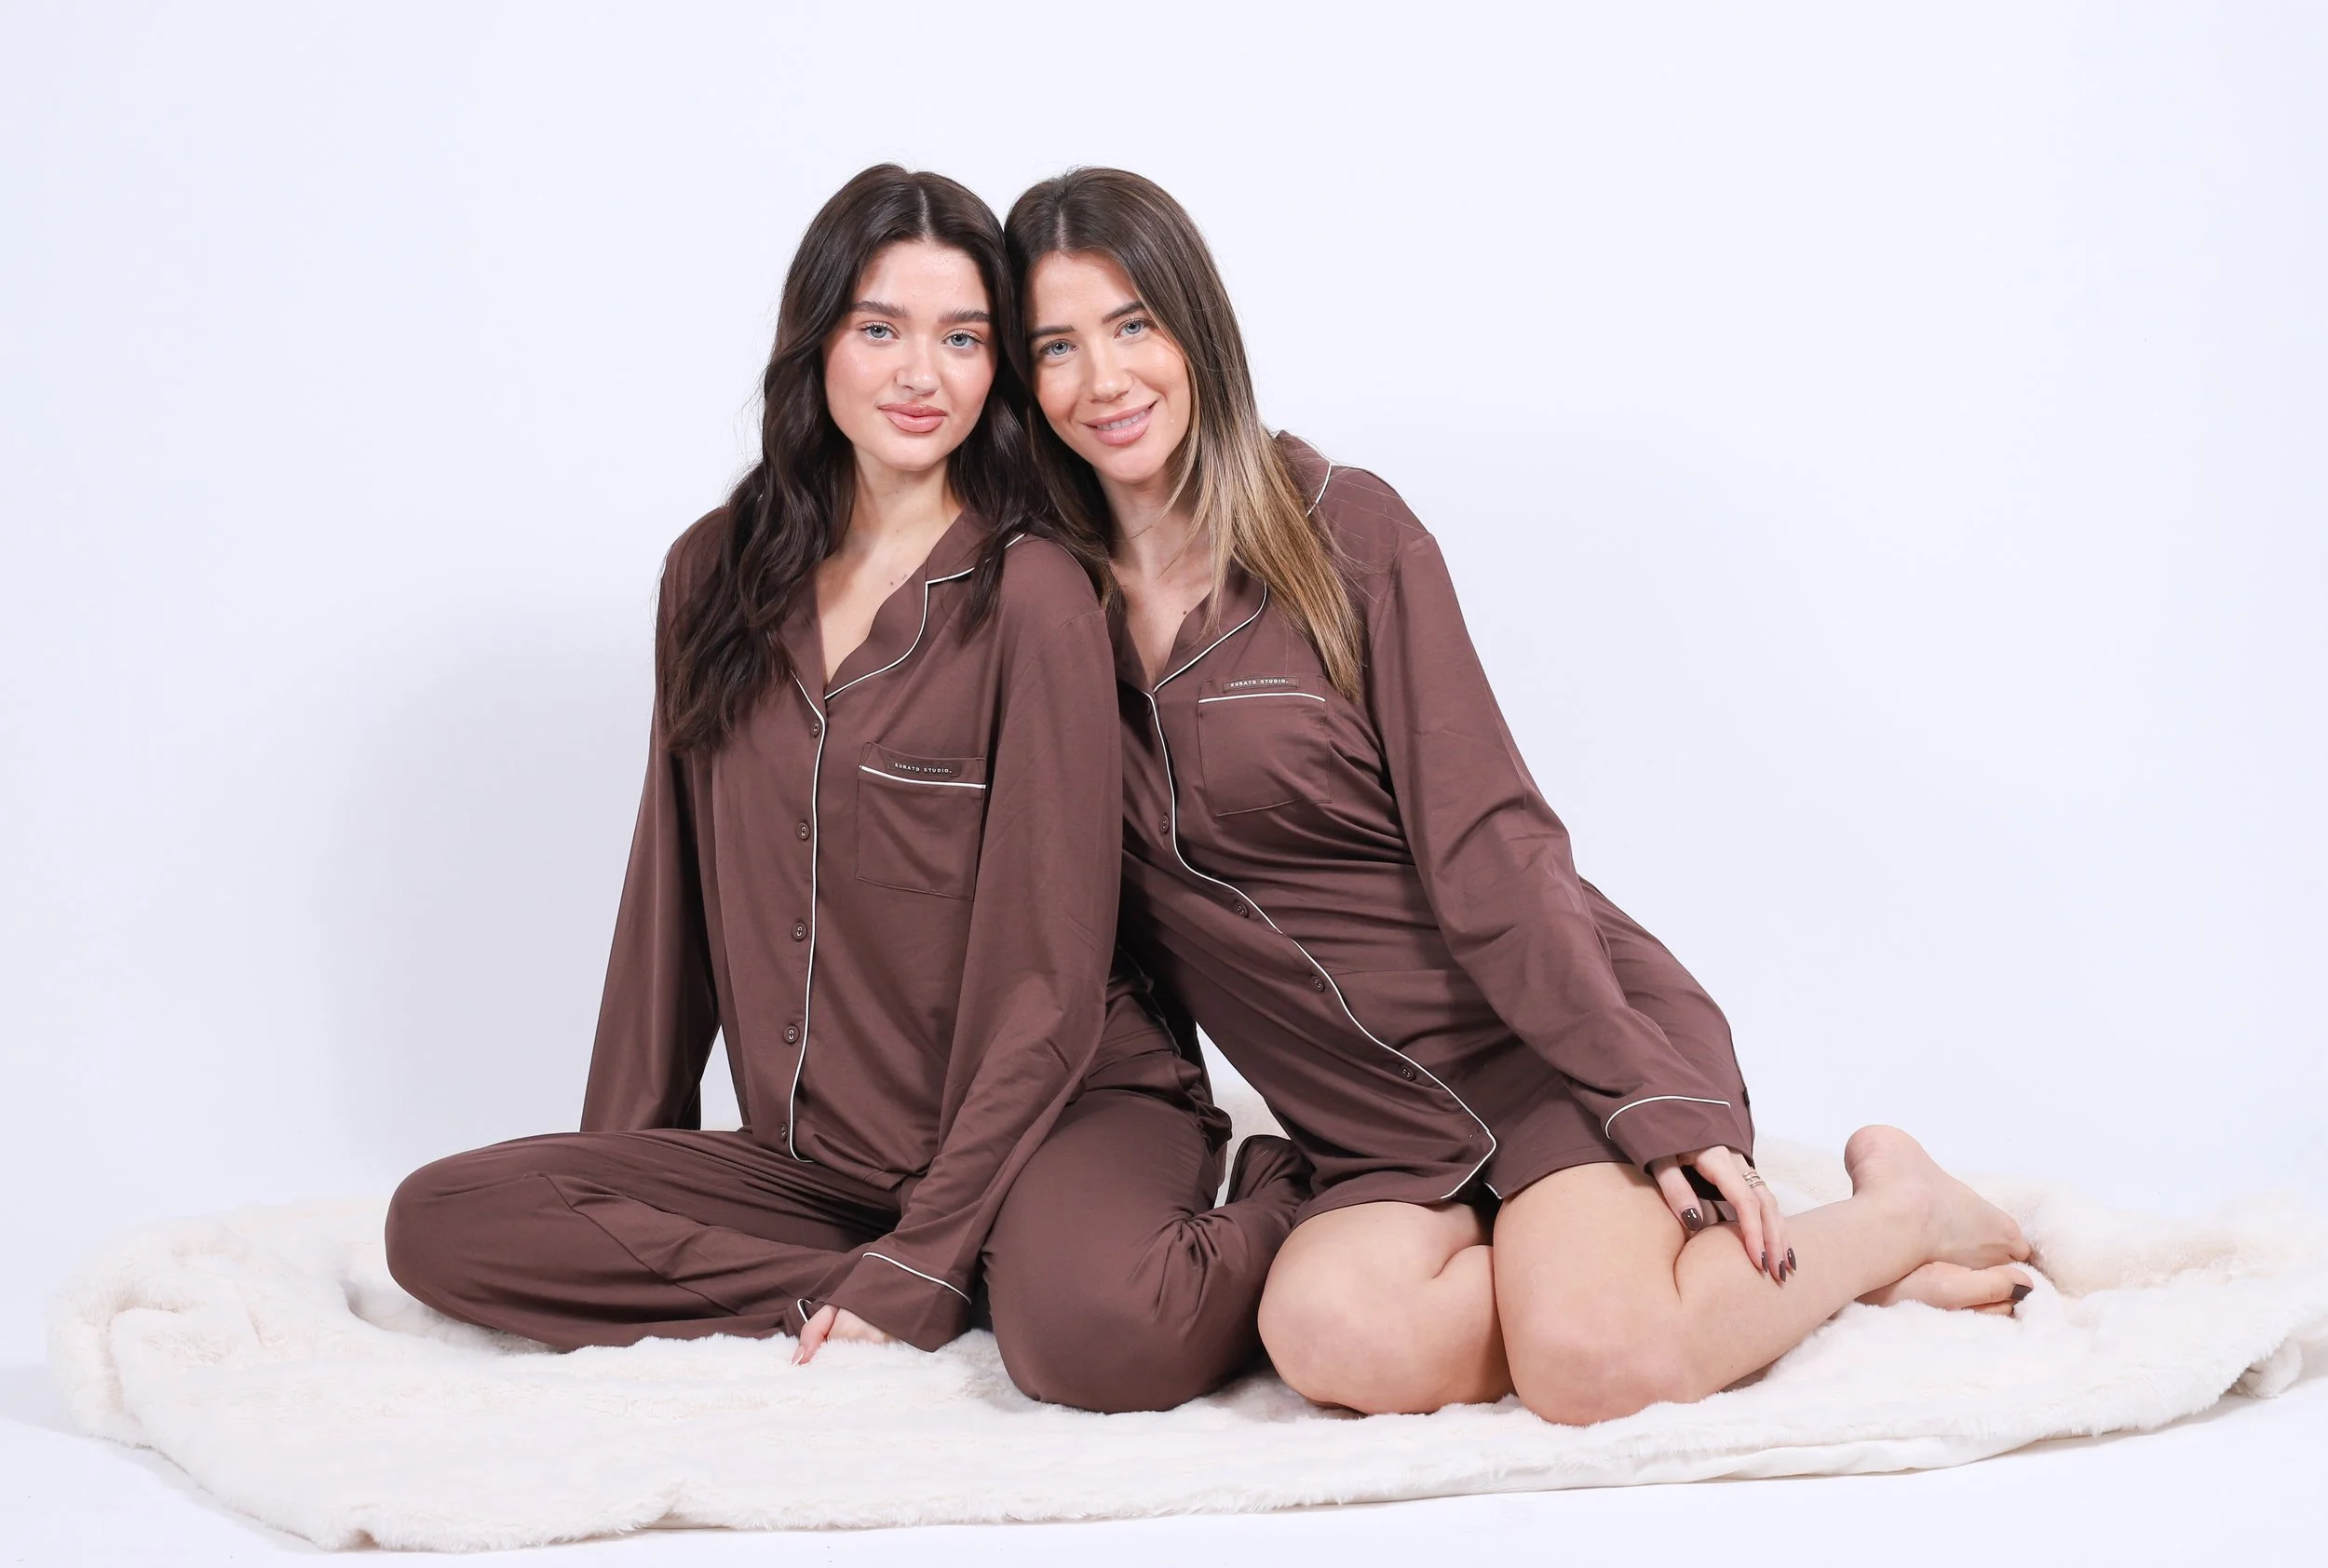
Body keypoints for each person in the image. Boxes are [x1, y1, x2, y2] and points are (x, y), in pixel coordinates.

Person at [1005, 167, 2035, 1425]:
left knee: (1594, 1370)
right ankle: (1713, 1291)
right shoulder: (1043, 612)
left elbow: (1490, 835)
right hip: (1375, 1126)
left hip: (1545, 1054)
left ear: (1195, 330)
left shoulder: (1341, 530)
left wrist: (1635, 1085)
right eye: (1057, 347)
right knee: (1329, 1336)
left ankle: (1897, 1213)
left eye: (1133, 325)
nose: (1104, 379)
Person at [385, 165, 1306, 1414]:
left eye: (963, 339)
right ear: (817, 339)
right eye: (881, 330)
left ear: (996, 370)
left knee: (1095, 1341)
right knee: (444, 1221)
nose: (921, 375)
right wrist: (617, 1177)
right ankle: (929, 1281)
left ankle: (1274, 1196)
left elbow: (1046, 980)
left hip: (1059, 1115)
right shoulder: (710, 575)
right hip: (822, 1165)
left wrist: (930, 1240)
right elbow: (668, 916)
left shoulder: (1033, 596)